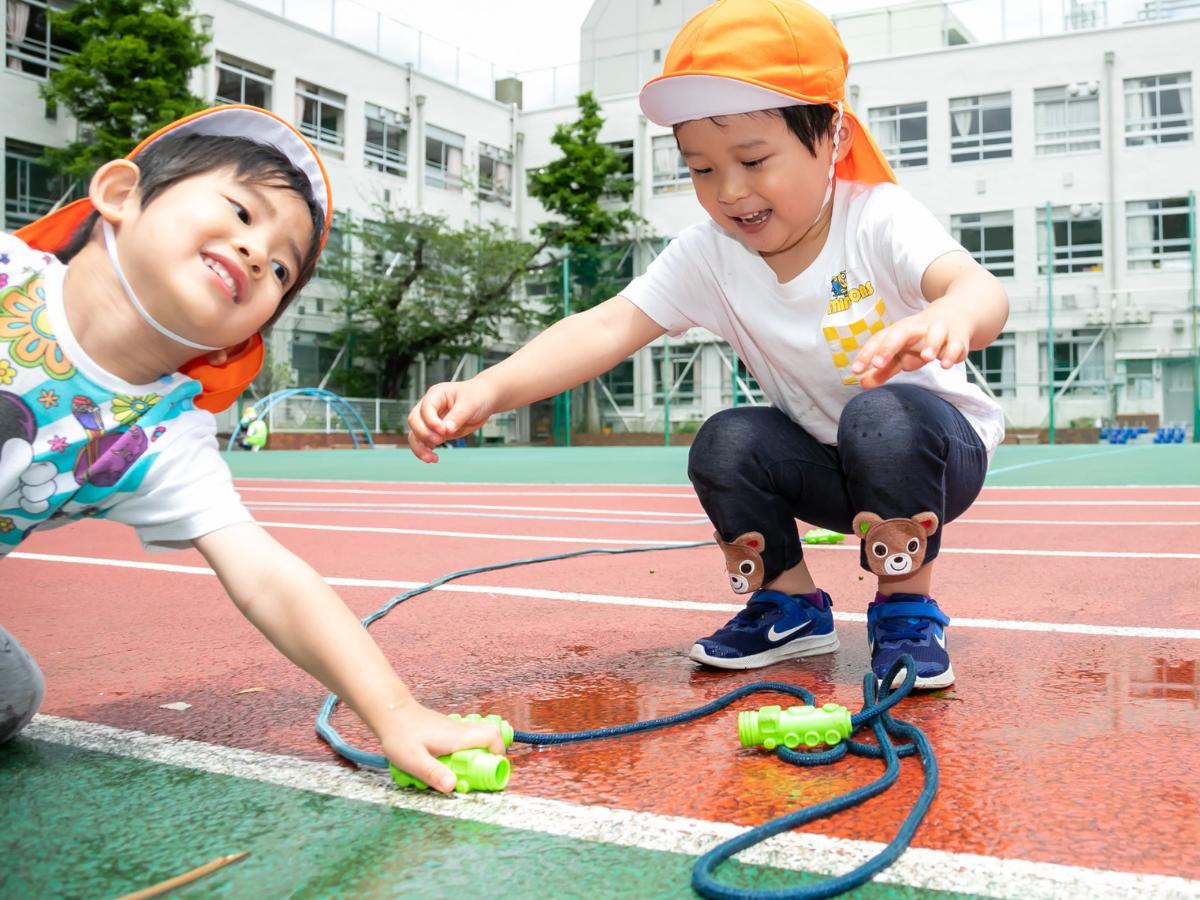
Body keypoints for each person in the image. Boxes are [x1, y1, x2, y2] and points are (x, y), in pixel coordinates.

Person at [407, 0, 1007, 689]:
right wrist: (488, 390)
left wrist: (954, 314)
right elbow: (606, 327)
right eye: (700, 169)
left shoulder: (876, 218)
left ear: (834, 137)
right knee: (726, 440)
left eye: (753, 159)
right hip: (827, 467)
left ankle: (906, 610)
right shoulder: (711, 255)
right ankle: (789, 605)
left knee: (879, 415)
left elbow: (978, 288)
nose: (730, 191)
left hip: (929, 458)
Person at [0, 105, 503, 787]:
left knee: (12, 694)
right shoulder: (11, 276)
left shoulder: (162, 434)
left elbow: (269, 579)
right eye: (241, 212)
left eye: (279, 271)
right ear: (122, 195)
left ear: (244, 337)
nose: (257, 252)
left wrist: (396, 712)